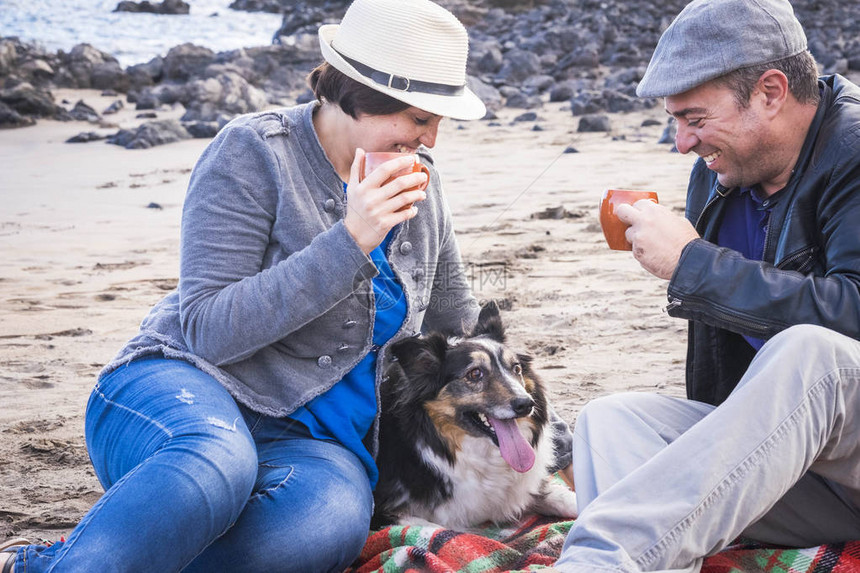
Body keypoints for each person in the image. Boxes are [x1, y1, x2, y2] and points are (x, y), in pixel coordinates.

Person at [0, 1, 571, 571]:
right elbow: (208, 332)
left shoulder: (423, 182)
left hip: (316, 444)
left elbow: (459, 329)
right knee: (217, 464)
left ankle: (73, 559)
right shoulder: (252, 152)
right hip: (183, 391)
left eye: (436, 123)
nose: (431, 140)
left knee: (324, 528)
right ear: (362, 98)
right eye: (421, 119)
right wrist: (352, 240)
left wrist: (539, 430)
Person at [549, 0, 860, 571]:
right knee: (611, 421)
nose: (682, 142)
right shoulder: (718, 176)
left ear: (770, 92)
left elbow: (852, 314)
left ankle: (598, 561)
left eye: (694, 118)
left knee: (811, 350)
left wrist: (693, 264)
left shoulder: (855, 152)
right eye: (675, 120)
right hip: (805, 475)